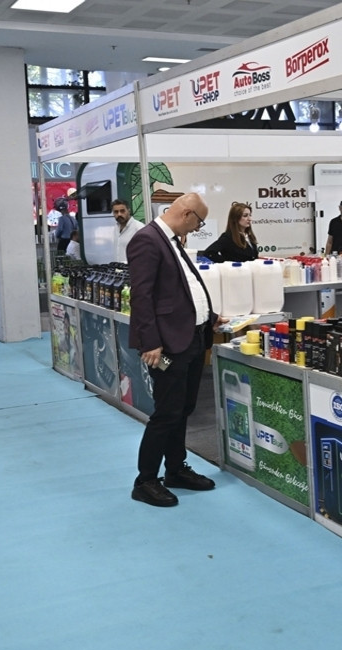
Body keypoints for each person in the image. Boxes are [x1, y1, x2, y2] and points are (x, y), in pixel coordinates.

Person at [125, 192, 218, 508]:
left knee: (183, 407)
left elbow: (184, 290)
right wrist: (150, 342)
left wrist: (211, 317)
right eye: (199, 222)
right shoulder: (147, 240)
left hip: (191, 339)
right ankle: (145, 480)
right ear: (188, 214)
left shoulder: (172, 241)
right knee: (166, 412)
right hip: (165, 346)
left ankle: (175, 469)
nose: (197, 228)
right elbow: (141, 296)